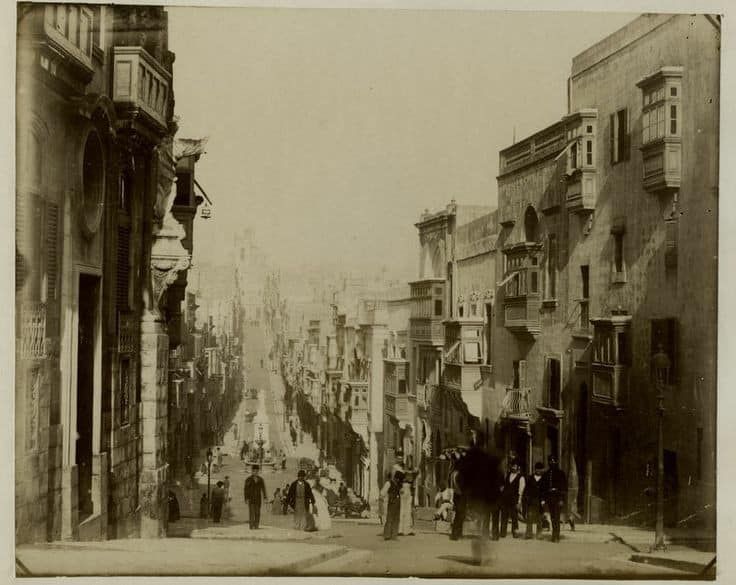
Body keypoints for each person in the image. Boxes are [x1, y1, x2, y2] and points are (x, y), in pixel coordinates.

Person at [540, 455, 568, 542]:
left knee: (556, 516)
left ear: (556, 462)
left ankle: (556, 535)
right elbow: (543, 488)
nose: (552, 463)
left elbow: (564, 488)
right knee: (552, 517)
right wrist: (543, 499)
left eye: (553, 461)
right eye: (550, 461)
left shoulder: (561, 474)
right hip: (550, 498)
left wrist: (561, 499)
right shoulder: (546, 474)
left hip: (558, 497)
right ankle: (554, 534)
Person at [500, 459, 526, 538]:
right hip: (505, 499)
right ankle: (503, 532)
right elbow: (505, 486)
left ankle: (515, 532)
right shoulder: (508, 475)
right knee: (504, 515)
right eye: (512, 466)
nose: (513, 468)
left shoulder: (521, 477)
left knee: (514, 516)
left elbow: (520, 491)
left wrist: (519, 502)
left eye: (515, 466)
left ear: (518, 467)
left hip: (514, 500)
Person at [523, 462, 545, 539]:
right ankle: (529, 533)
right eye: (537, 469)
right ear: (535, 469)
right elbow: (526, 490)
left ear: (542, 470)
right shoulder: (530, 478)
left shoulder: (544, 479)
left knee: (539, 518)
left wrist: (543, 500)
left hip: (540, 501)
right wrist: (527, 498)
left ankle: (539, 533)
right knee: (530, 516)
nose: (538, 471)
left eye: (540, 469)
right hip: (531, 501)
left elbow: (544, 491)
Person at [243, 464, 268, 529]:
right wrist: (246, 498)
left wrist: (265, 497)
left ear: (258, 471)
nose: (255, 472)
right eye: (254, 471)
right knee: (251, 513)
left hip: (258, 499)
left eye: (257, 471)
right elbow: (246, 490)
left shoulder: (261, 479)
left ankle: (256, 526)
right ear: (252, 471)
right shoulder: (248, 479)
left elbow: (263, 489)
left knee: (257, 513)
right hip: (251, 499)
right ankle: (251, 526)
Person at [449, 452, 466, 541]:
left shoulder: (452, 473)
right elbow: (463, 486)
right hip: (461, 495)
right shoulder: (459, 474)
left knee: (459, 515)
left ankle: (457, 533)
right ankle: (456, 534)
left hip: (456, 495)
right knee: (460, 515)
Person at [383, 470, 403, 540]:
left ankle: (394, 535)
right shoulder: (389, 483)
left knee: (396, 519)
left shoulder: (399, 484)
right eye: (398, 479)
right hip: (392, 502)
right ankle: (387, 535)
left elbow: (401, 493)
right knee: (389, 519)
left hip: (398, 502)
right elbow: (383, 493)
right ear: (395, 478)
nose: (399, 480)